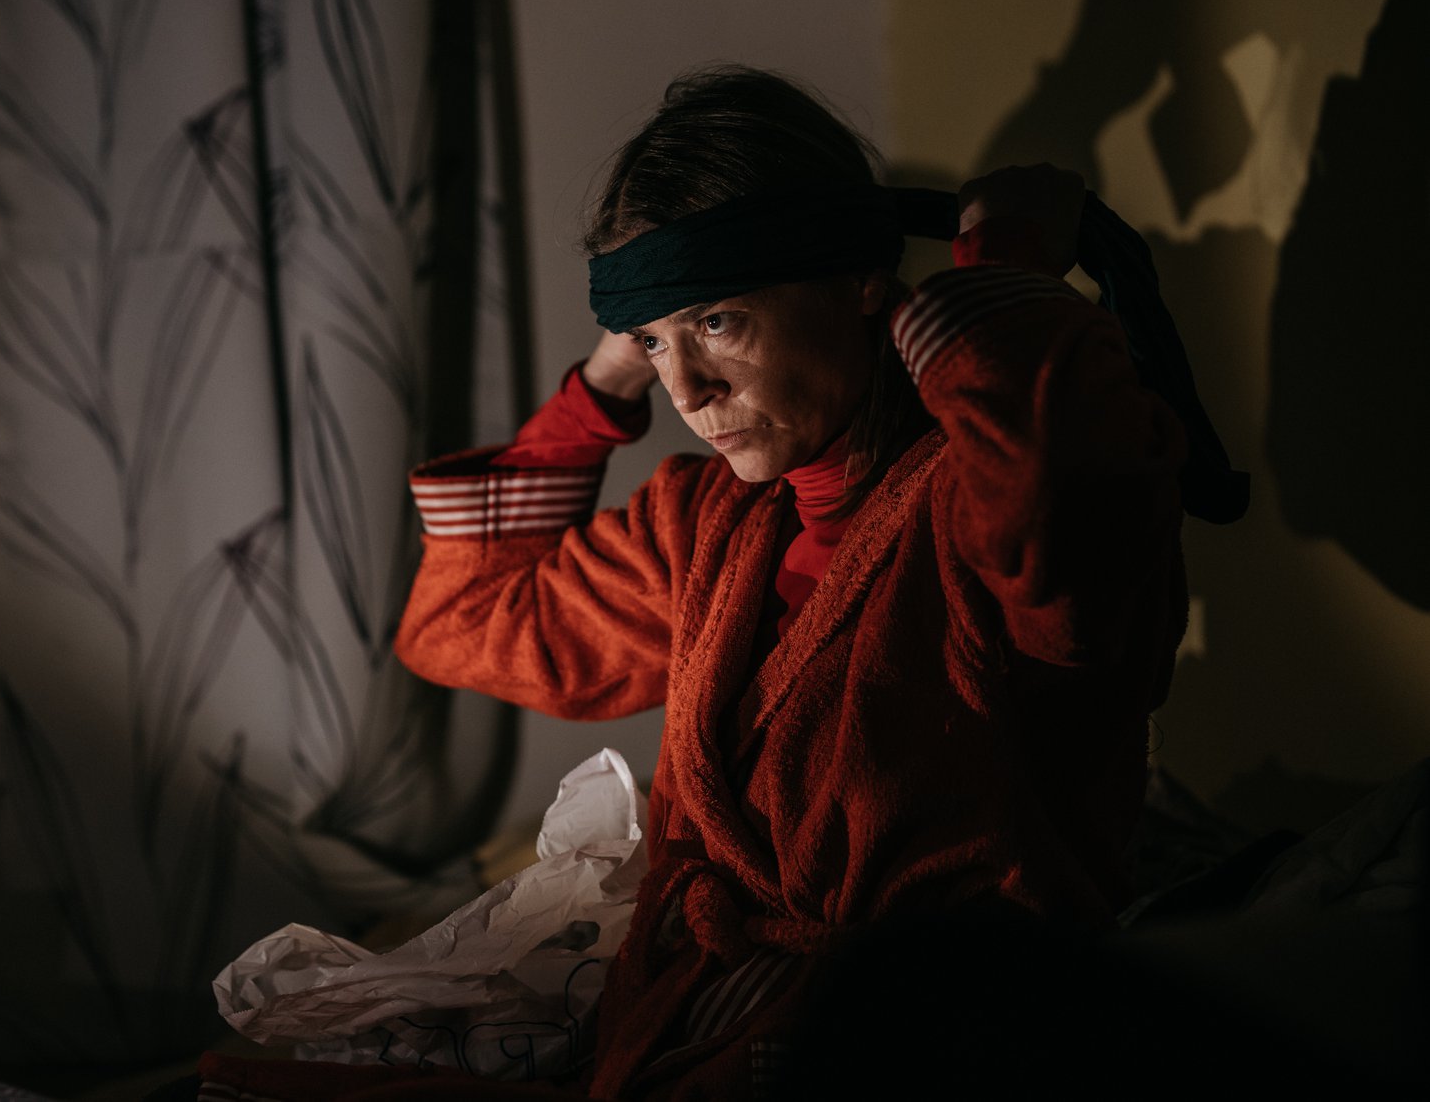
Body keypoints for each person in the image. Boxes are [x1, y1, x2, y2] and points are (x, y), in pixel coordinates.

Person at [196, 66, 1188, 1100]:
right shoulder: (705, 522)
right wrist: (603, 385)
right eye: (652, 342)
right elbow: (465, 622)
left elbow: (1053, 500)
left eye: (717, 323)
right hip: (686, 1024)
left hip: (927, 1042)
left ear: (860, 280)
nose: (685, 391)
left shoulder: (972, 500)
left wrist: (1007, 274)